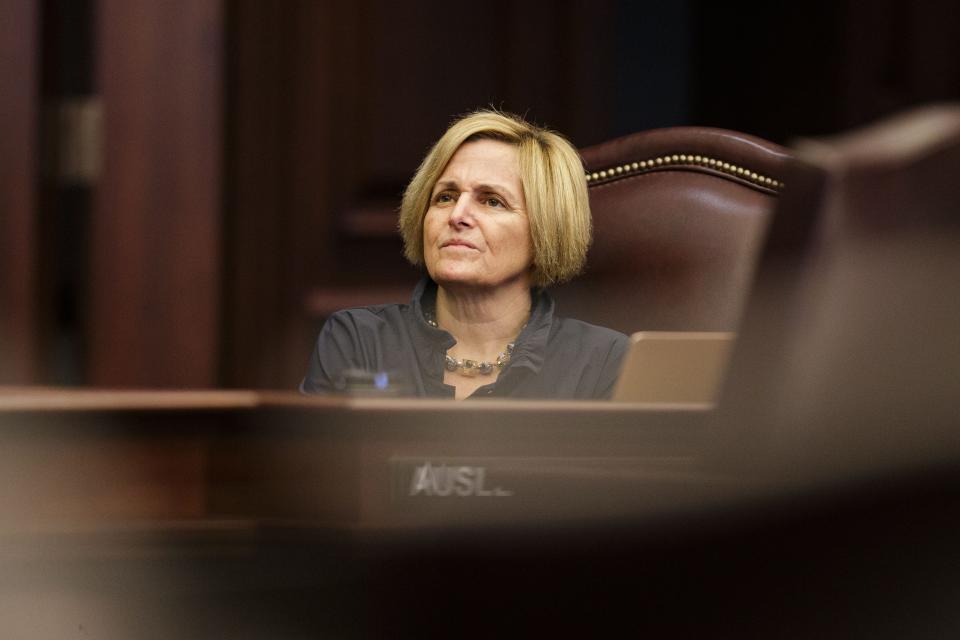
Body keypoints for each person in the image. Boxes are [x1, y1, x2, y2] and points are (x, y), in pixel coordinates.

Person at [301, 109, 629, 399]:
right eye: (445, 197)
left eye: (491, 201)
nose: (457, 215)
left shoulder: (602, 363)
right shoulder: (360, 341)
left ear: (545, 229)